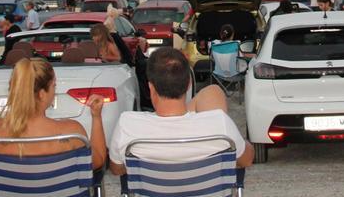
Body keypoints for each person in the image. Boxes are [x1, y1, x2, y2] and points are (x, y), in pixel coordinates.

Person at [108, 48, 253, 174]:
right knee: (213, 92)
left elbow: (117, 169)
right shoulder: (220, 125)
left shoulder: (128, 125)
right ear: (189, 84)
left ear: (151, 87)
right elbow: (246, 160)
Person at [0, 58, 106, 170]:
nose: (55, 91)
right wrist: (96, 117)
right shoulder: (71, 133)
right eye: (54, 86)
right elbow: (98, 160)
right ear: (42, 93)